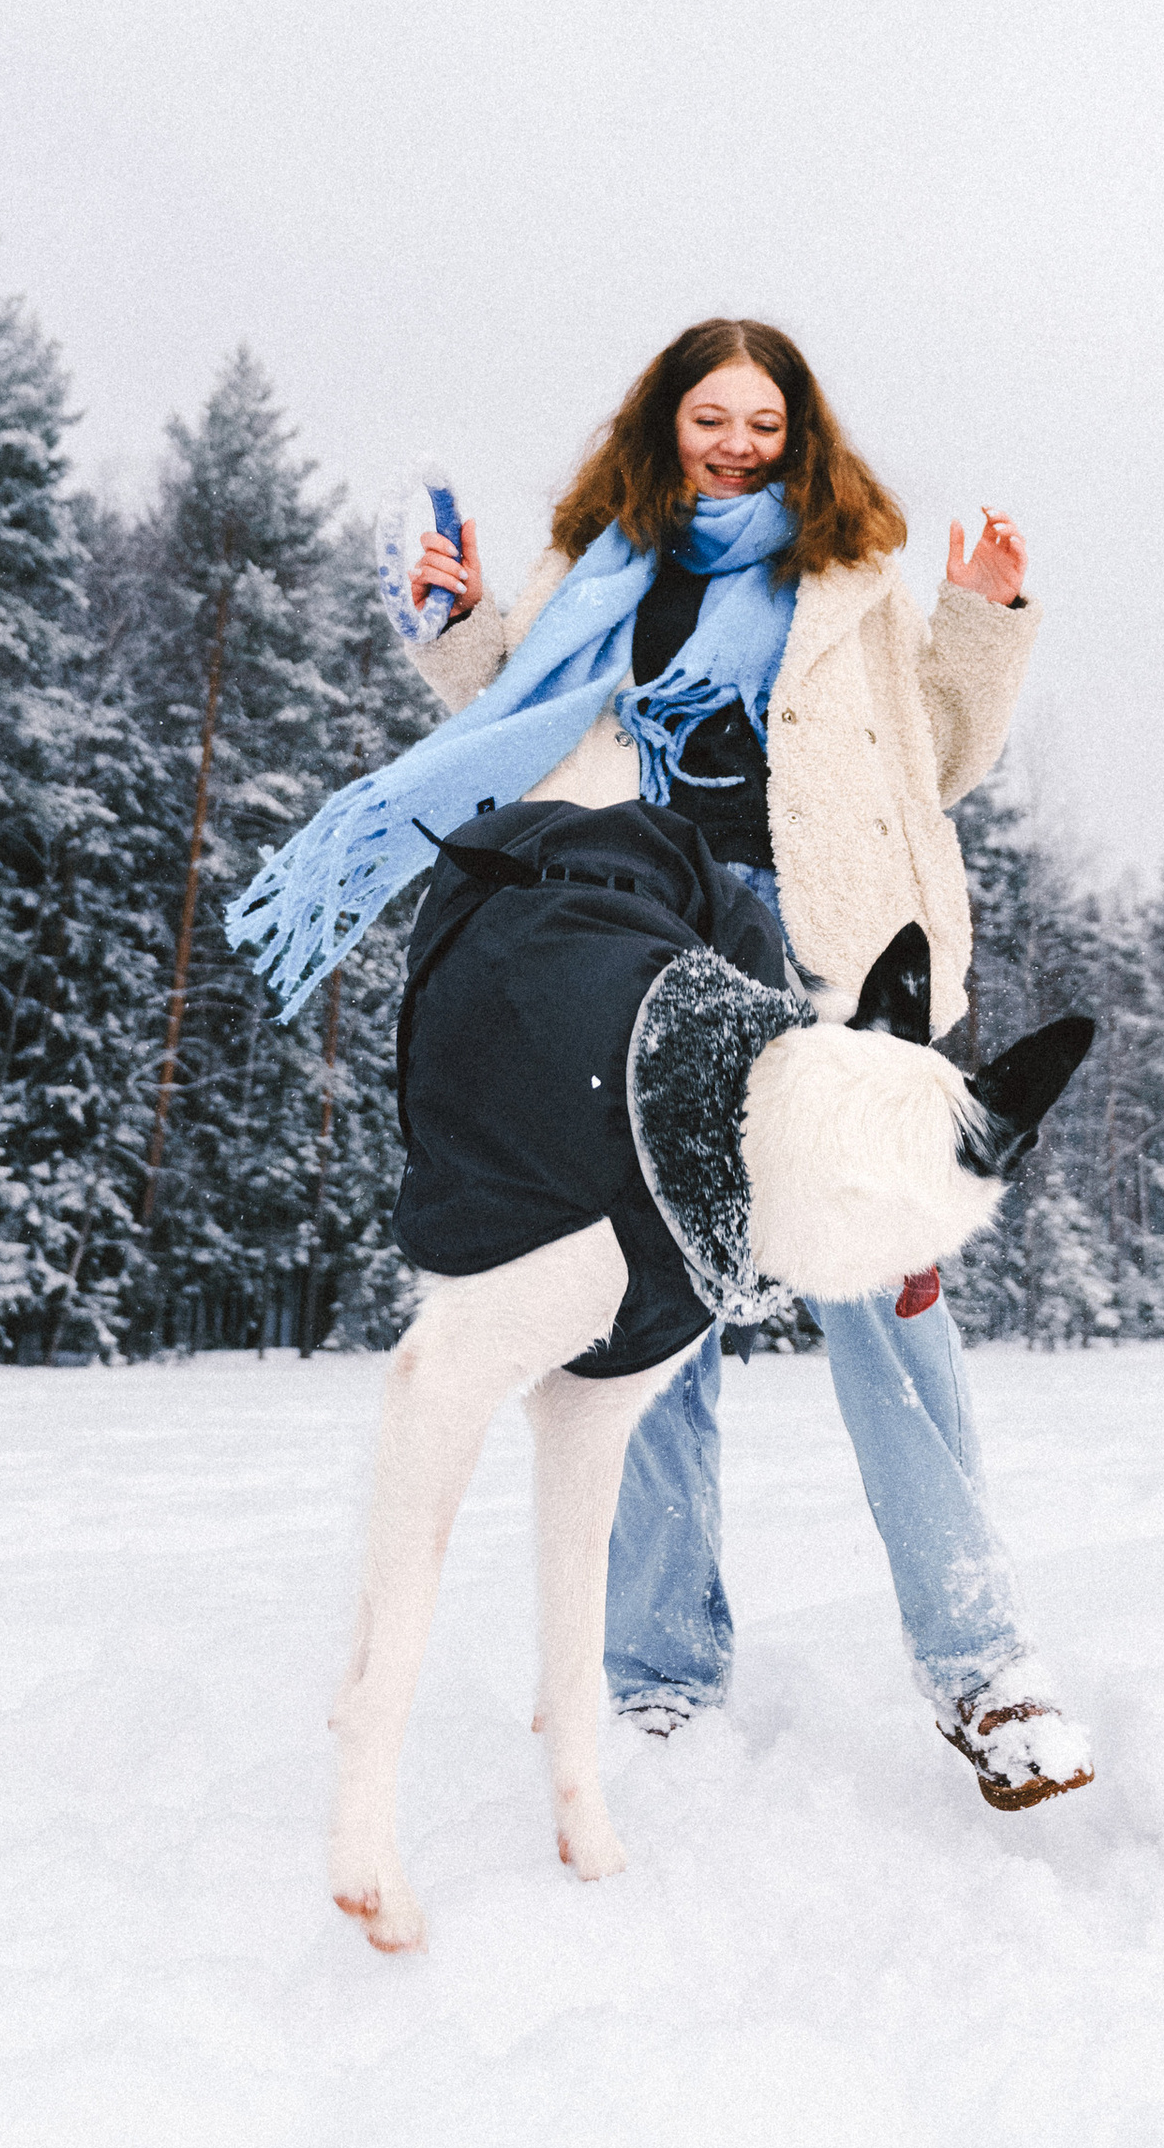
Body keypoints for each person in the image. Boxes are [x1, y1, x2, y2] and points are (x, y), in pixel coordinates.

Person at [394, 317, 1092, 1815]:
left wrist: (983, 616)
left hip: (841, 966)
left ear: (798, 434)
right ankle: (658, 1671)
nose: (735, 441)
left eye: (761, 421)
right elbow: (521, 737)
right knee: (644, 1323)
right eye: (709, 415)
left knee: (886, 1315)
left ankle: (986, 1665)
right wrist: (458, 631)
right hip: (640, 964)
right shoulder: (593, 577)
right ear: (666, 424)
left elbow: (941, 753)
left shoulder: (848, 580)